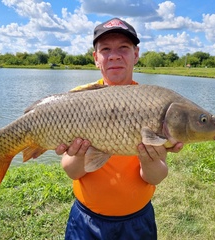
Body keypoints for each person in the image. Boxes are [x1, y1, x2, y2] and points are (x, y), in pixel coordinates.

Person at [56, 18, 183, 240]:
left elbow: (154, 177)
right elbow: (72, 171)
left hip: (137, 220)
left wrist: (150, 159)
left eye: (123, 48)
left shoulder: (153, 103)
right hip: (87, 219)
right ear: (96, 58)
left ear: (136, 54)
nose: (114, 55)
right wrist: (78, 154)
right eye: (106, 49)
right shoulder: (76, 100)